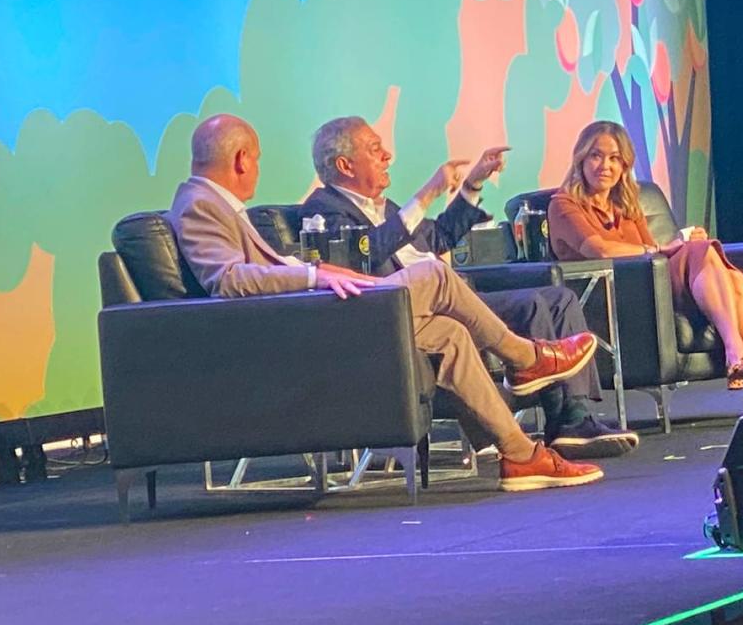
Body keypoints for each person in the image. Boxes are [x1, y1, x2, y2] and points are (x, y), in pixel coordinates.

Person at [167, 113, 605, 491]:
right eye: (258, 159)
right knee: (434, 273)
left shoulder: (216, 205)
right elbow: (226, 280)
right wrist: (313, 274)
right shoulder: (200, 204)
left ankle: (520, 453)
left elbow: (429, 238)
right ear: (242, 159)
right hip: (302, 328)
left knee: (450, 334)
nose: (258, 169)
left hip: (328, 313)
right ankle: (524, 357)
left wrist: (319, 271)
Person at [300, 116, 638, 458]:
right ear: (344, 165)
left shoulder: (383, 207)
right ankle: (559, 414)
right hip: (417, 311)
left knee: (559, 300)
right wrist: (427, 194)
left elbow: (440, 236)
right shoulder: (324, 210)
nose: (388, 156)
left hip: (457, 297)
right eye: (375, 149)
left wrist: (473, 185)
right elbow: (365, 256)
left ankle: (574, 416)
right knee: (535, 305)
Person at [547, 120, 743, 412]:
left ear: (624, 165)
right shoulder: (564, 204)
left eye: (614, 159)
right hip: (614, 293)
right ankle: (740, 358)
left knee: (728, 278)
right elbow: (601, 249)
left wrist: (681, 243)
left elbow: (654, 254)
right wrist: (664, 247)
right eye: (596, 156)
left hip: (653, 283)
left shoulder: (627, 202)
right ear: (581, 158)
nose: (604, 166)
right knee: (705, 256)